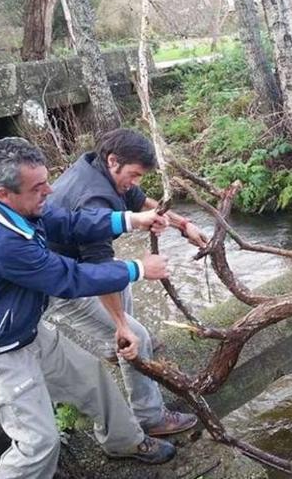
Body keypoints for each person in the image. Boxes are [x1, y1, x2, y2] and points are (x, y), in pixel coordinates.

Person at [0, 138, 177, 478]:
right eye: (38, 187)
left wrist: (129, 220)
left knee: (91, 377)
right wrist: (138, 269)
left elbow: (62, 220)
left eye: (46, 181)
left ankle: (123, 441)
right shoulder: (2, 243)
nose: (49, 191)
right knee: (38, 443)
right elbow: (69, 278)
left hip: (16, 323)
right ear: (3, 194)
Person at [45, 128, 205, 437]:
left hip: (73, 265)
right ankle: (150, 417)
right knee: (138, 337)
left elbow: (143, 202)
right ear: (114, 160)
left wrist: (184, 225)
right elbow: (101, 273)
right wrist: (122, 327)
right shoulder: (94, 199)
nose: (136, 182)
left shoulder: (99, 167)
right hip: (58, 286)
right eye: (133, 174)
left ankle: (113, 348)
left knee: (123, 281)